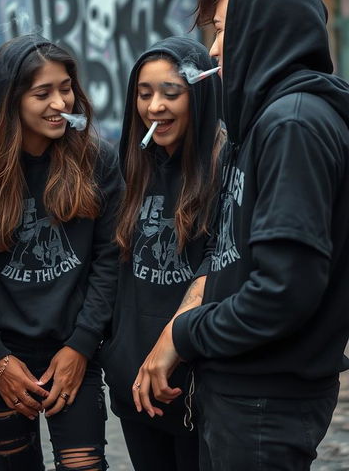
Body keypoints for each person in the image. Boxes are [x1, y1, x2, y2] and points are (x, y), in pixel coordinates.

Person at [133, 0, 349, 470]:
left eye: (224, 31)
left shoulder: (294, 123)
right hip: (244, 388)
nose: (212, 50)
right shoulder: (264, 121)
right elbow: (232, 250)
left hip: (264, 397)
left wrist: (187, 334)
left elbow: (283, 291)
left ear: (263, 29)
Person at [0, 35, 121, 470]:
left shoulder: (96, 160)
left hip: (73, 352)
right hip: (4, 359)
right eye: (42, 92)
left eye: (65, 87)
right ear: (11, 99)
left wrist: (82, 346)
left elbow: (109, 260)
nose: (59, 102)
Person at [102, 36, 223, 470]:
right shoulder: (130, 167)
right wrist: (115, 354)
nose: (155, 107)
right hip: (132, 386)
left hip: (194, 387)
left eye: (172, 93)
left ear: (199, 95)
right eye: (144, 93)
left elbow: (222, 260)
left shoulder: (224, 164)